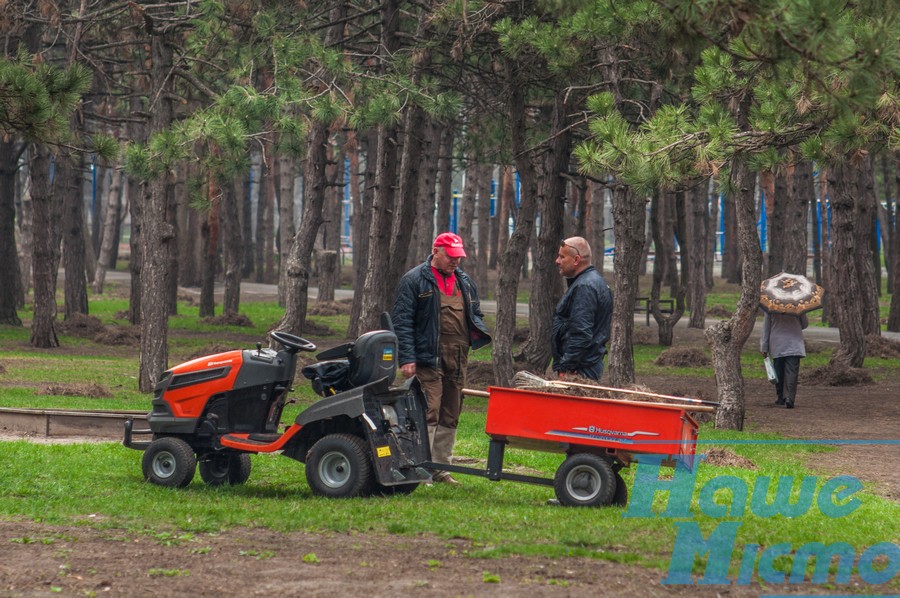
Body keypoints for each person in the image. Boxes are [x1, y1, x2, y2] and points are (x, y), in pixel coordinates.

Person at [392, 232, 492, 484]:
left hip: (458, 357)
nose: (455, 261)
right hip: (428, 357)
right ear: (436, 251)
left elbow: (475, 311)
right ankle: (419, 467)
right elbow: (402, 322)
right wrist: (407, 357)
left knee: (451, 410)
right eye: (451, 256)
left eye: (459, 257)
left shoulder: (465, 281)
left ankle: (440, 468)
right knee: (430, 409)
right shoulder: (414, 280)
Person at [551, 237, 613, 381]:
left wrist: (566, 368)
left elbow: (581, 334)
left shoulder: (585, 287)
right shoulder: (589, 282)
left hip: (579, 370)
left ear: (576, 260)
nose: (557, 261)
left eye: (562, 257)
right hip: (583, 366)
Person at [760, 311, 808, 409]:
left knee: (778, 371)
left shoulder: (771, 305)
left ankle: (780, 397)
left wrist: (764, 347)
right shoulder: (798, 304)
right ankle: (789, 398)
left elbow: (766, 327)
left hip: (777, 343)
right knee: (792, 372)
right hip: (794, 343)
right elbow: (804, 324)